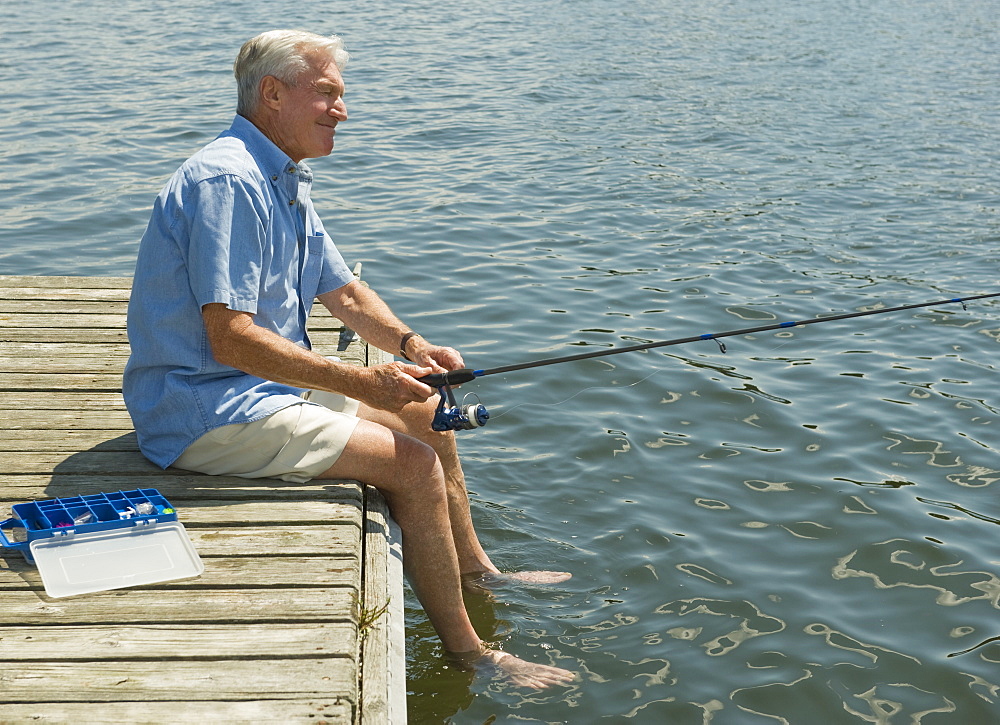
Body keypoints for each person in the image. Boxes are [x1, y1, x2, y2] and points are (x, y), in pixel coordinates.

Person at [123, 29, 574, 689]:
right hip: (201, 408)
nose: (342, 110)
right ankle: (474, 654)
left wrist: (414, 350)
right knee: (413, 468)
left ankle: (479, 570)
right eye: (327, 94)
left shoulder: (281, 175)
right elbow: (231, 339)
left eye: (341, 95)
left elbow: (345, 291)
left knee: (425, 407)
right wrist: (363, 380)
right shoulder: (226, 179)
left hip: (258, 392)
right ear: (273, 95)